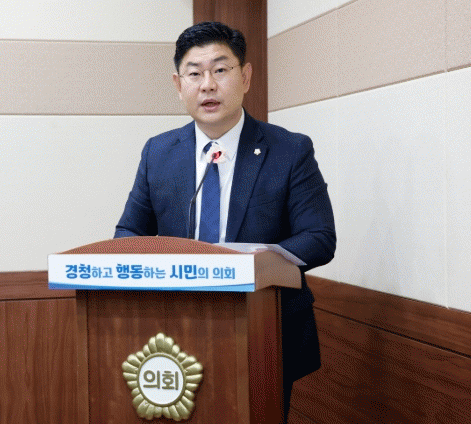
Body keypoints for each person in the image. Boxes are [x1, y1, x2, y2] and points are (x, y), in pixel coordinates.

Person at [114, 21, 336, 420]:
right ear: (178, 84)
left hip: (265, 329)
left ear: (245, 77)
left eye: (220, 69)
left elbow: (319, 237)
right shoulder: (158, 152)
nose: (208, 85)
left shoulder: (289, 150)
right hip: (173, 327)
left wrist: (255, 263)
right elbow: (128, 231)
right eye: (194, 73)